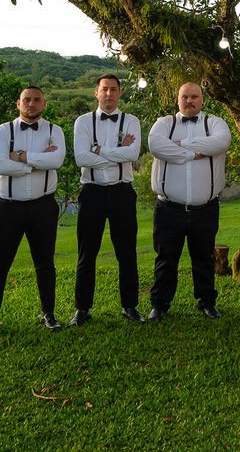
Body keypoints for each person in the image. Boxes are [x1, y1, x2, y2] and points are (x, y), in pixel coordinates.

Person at [0, 86, 67, 335]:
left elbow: (57, 161)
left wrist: (19, 156)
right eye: (26, 100)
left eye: (36, 100)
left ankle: (49, 314)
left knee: (45, 263)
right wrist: (36, 163)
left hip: (43, 206)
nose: (31, 104)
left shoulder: (55, 130)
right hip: (8, 207)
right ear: (18, 104)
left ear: (44, 104)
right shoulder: (3, 130)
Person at [146, 82, 232, 319]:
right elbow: (155, 146)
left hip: (205, 209)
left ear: (202, 99)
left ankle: (206, 302)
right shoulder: (164, 123)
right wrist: (195, 153)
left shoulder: (214, 123)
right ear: (178, 99)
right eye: (185, 97)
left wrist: (178, 146)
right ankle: (159, 304)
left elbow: (221, 143)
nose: (189, 101)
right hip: (168, 209)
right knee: (165, 259)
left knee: (204, 257)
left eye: (194, 96)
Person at [70, 74, 144, 326]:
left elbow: (132, 153)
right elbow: (81, 158)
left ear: (119, 93)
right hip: (91, 192)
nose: (109, 94)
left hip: (122, 192)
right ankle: (82, 309)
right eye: (104, 89)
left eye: (113, 89)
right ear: (96, 93)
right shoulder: (83, 121)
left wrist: (98, 149)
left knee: (126, 252)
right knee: (86, 252)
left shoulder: (131, 120)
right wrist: (116, 152)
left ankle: (130, 306)